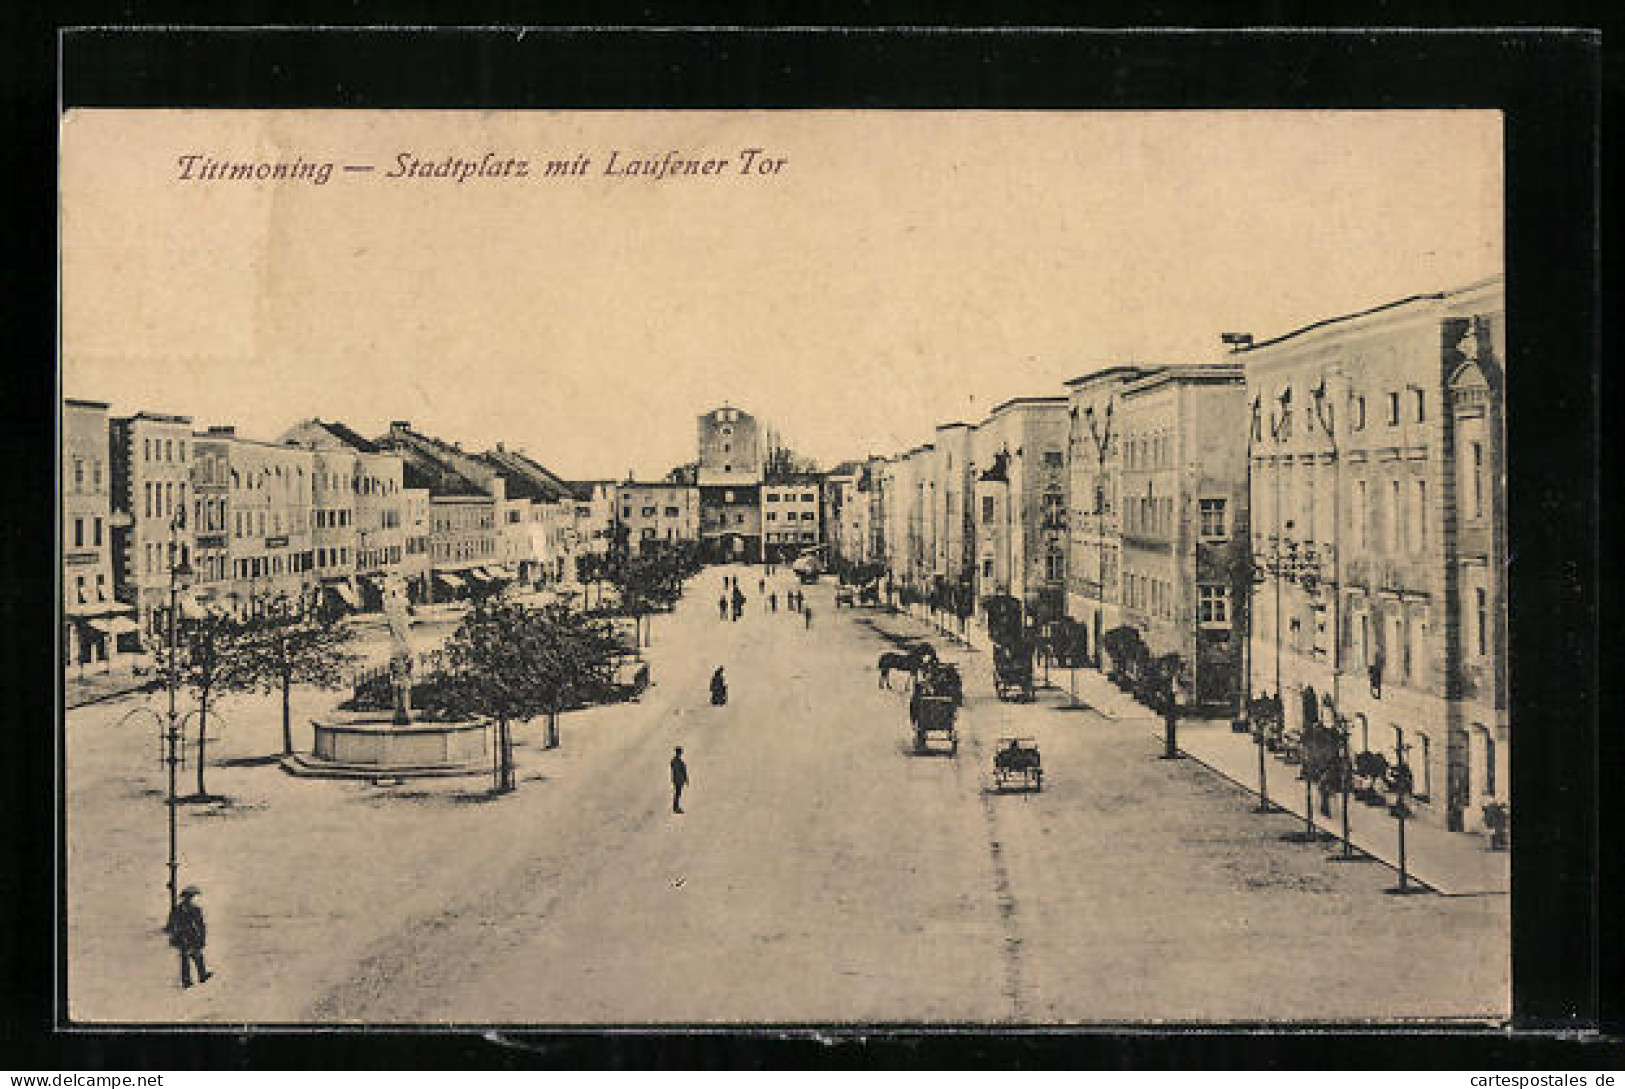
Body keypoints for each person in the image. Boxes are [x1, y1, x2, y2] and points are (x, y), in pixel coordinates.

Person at [166, 885, 212, 988]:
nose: (189, 899)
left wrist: (202, 936)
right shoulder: (179, 910)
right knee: (187, 957)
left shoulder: (194, 909)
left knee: (196, 955)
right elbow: (172, 923)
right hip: (183, 935)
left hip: (191, 935)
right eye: (189, 896)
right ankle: (188, 980)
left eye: (190, 897)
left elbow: (201, 924)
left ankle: (201, 975)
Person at [670, 747, 689, 813]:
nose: (680, 754)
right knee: (677, 794)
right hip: (678, 780)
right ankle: (676, 808)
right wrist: (685, 779)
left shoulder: (675, 761)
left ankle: (676, 807)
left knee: (678, 794)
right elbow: (682, 771)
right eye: (679, 753)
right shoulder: (678, 762)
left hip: (678, 780)